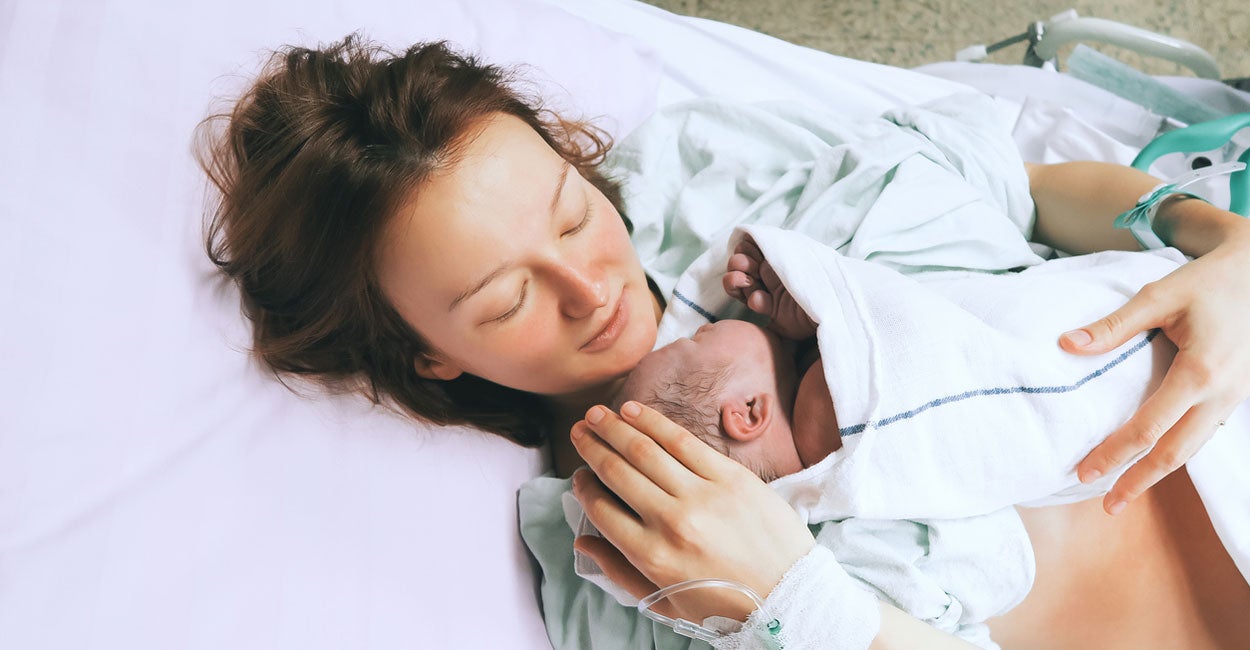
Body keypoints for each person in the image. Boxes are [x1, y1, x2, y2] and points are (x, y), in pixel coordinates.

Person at [198, 36, 1250, 649]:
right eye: (507, 297)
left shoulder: (713, 181)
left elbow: (1023, 188)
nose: (590, 287)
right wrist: (797, 601)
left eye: (572, 212)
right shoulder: (618, 556)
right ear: (428, 353)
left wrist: (1215, 245)